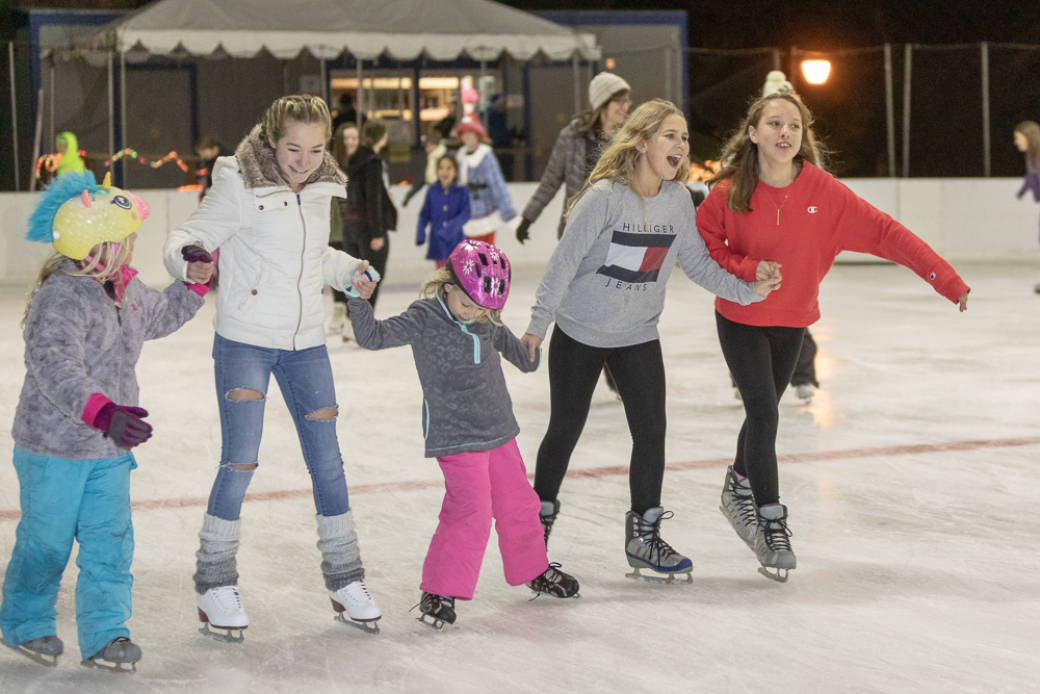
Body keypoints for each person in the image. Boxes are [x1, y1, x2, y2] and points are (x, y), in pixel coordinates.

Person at [697, 91, 970, 583]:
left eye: (794, 126)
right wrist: (746, 269)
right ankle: (771, 519)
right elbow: (704, 246)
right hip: (739, 317)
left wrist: (944, 279)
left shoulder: (825, 193)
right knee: (763, 411)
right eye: (775, 124)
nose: (785, 133)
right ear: (753, 133)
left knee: (765, 410)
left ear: (804, 137)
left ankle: (737, 483)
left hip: (792, 320)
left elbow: (889, 234)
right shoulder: (728, 192)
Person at [519, 99, 779, 583]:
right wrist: (538, 325)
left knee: (652, 431)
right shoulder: (604, 197)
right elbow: (562, 263)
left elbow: (698, 264)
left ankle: (644, 535)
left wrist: (746, 292)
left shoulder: (680, 200)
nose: (681, 145)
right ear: (641, 142)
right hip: (581, 330)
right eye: (670, 136)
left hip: (637, 334)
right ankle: (533, 532)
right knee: (565, 429)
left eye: (684, 137)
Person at [162, 95, 383, 640]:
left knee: (328, 463)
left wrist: (348, 268)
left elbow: (312, 255)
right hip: (246, 341)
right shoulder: (238, 180)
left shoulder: (322, 185)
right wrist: (189, 257)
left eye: (315, 149)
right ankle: (214, 582)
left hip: (307, 342)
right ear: (269, 138)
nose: (304, 160)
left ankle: (345, 578)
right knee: (240, 460)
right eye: (292, 148)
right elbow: (185, 236)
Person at [0, 171, 209, 672]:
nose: (133, 246)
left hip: (108, 452)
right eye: (125, 239)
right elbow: (55, 368)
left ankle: (106, 632)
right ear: (94, 246)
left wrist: (195, 285)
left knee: (110, 542)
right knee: (46, 543)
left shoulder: (126, 291)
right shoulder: (62, 297)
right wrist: (103, 412)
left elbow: (159, 317)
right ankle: (25, 622)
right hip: (54, 450)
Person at [347, 241, 580, 629]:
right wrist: (358, 298)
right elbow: (373, 336)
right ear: (449, 283)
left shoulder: (486, 317)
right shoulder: (423, 316)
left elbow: (523, 360)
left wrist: (534, 342)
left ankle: (533, 568)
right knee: (470, 509)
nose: (475, 315)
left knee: (519, 504)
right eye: (468, 305)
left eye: (485, 309)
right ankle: (439, 589)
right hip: (455, 435)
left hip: (499, 429)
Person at [516, 73, 632, 243]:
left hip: (614, 232)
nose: (625, 107)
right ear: (603, 103)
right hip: (577, 230)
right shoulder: (572, 137)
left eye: (627, 101)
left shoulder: (629, 139)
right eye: (620, 101)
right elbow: (550, 181)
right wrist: (528, 219)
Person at [343, 118, 396, 311]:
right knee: (371, 276)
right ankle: (361, 322)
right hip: (366, 228)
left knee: (358, 278)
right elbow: (374, 201)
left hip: (350, 226)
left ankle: (354, 320)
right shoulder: (372, 162)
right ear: (383, 137)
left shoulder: (352, 159)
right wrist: (377, 233)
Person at [456, 119, 515, 246]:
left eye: (470, 133)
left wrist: (508, 212)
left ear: (477, 135)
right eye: (464, 133)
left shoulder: (486, 156)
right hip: (465, 214)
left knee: (485, 256)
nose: (466, 137)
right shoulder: (460, 157)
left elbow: (498, 185)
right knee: (467, 257)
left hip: (485, 213)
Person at [328, 122, 361, 337]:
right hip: (335, 225)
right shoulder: (331, 164)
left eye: (354, 138)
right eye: (346, 138)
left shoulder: (364, 163)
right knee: (335, 268)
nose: (350, 142)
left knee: (353, 271)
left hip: (356, 225)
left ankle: (351, 316)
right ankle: (339, 308)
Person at [416, 155, 470, 269]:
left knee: (457, 276)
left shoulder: (462, 191)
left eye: (449, 168)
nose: (444, 172)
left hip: (456, 240)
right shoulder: (432, 190)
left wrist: (449, 229)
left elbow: (466, 213)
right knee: (441, 277)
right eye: (441, 168)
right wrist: (420, 234)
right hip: (437, 242)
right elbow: (425, 214)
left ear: (455, 171)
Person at [1013, 121, 1040, 293]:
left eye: (1018, 138)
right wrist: (1021, 193)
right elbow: (1031, 178)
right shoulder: (1033, 157)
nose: (1017, 142)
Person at [402, 132, 448, 207]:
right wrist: (408, 196)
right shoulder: (431, 160)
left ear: (435, 146)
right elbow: (421, 179)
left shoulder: (446, 159)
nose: (426, 150)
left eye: (428, 146)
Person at [195, 134, 227, 201]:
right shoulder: (209, 161)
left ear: (213, 148)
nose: (202, 156)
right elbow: (209, 178)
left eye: (204, 152)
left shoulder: (227, 158)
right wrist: (203, 192)